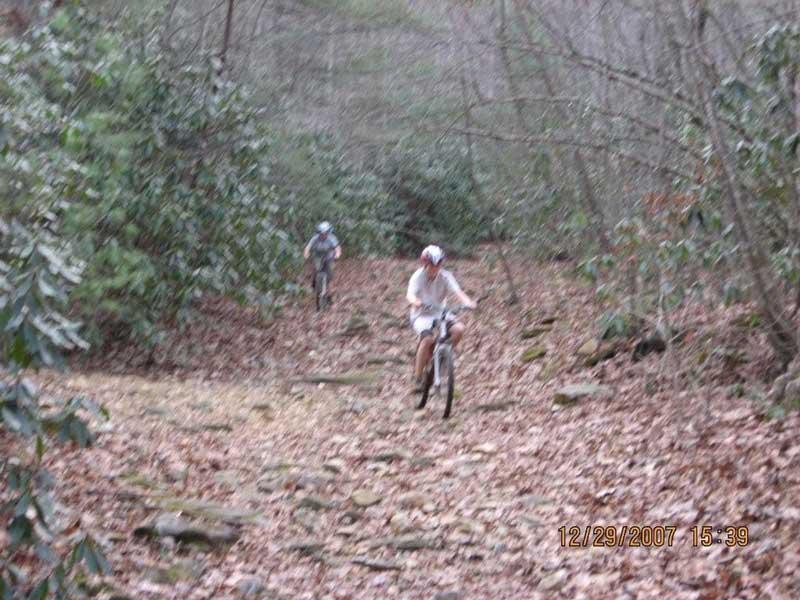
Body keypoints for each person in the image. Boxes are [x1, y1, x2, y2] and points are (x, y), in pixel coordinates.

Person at [406, 245, 477, 391]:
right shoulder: (418, 277)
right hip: (421, 315)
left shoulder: (445, 276)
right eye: (432, 264)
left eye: (439, 264)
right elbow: (410, 295)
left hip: (440, 312)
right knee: (427, 340)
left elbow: (458, 292)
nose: (436, 268)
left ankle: (442, 358)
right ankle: (418, 376)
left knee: (459, 329)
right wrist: (416, 302)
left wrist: (468, 303)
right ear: (425, 264)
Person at [304, 222, 341, 299]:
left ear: (328, 232)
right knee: (316, 270)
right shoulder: (315, 238)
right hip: (318, 256)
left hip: (329, 257)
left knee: (330, 273)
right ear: (319, 232)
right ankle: (314, 282)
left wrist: (337, 254)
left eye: (325, 232)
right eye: (322, 233)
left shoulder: (332, 238)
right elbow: (308, 247)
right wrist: (306, 254)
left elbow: (337, 248)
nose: (323, 234)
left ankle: (327, 291)